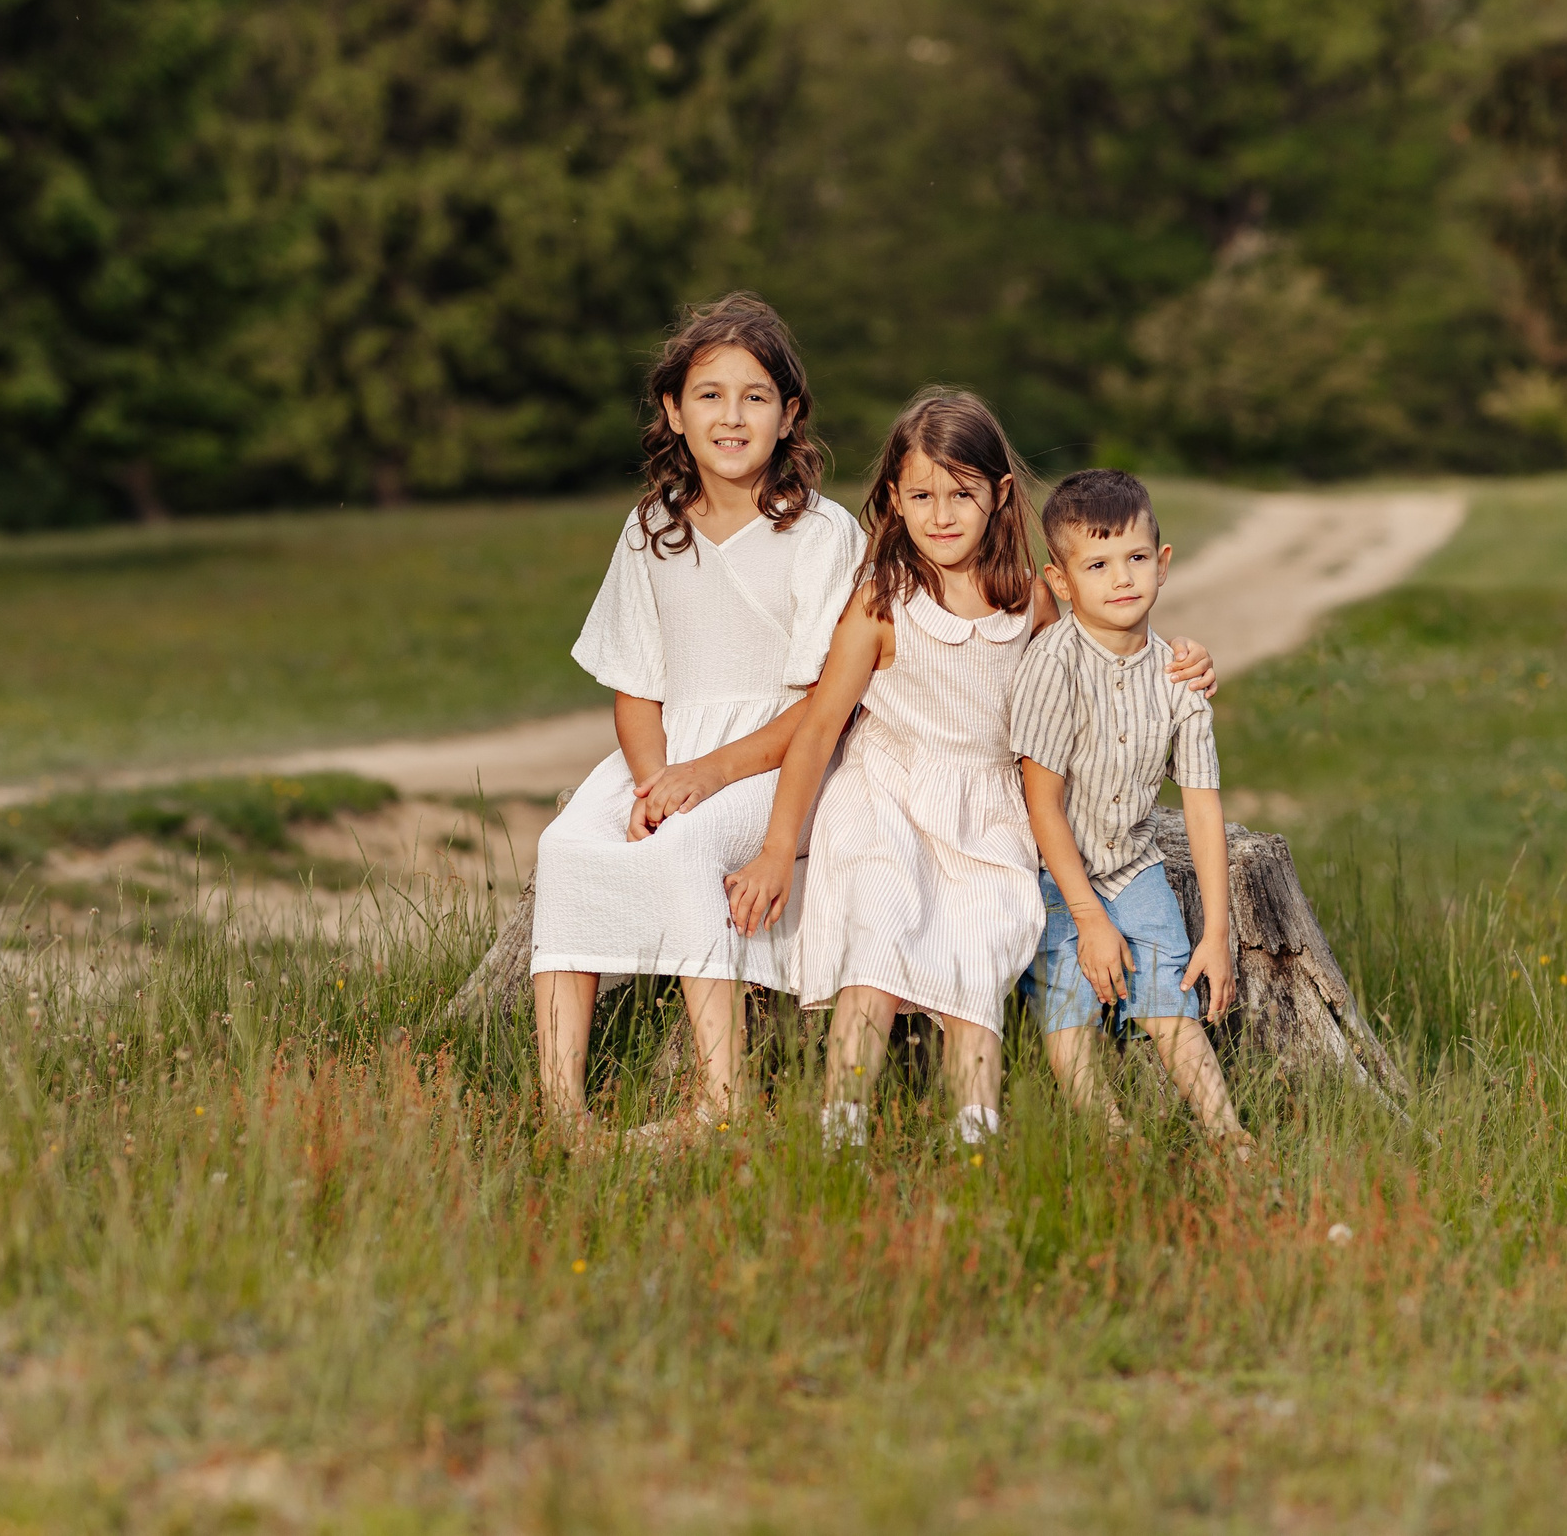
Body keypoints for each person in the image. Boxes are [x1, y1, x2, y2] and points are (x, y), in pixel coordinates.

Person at [722, 390, 1215, 1146]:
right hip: (887, 789)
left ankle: (975, 1135)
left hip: (988, 806)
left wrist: (1185, 661)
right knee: (880, 926)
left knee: (982, 940)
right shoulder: (883, 602)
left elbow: (1112, 636)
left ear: (1000, 495)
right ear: (894, 498)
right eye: (921, 495)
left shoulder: (1028, 600)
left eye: (962, 494)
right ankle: (842, 1125)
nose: (941, 514)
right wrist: (774, 847)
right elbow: (820, 730)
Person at [529, 293, 864, 1140]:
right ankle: (563, 1112)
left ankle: (720, 1101)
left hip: (779, 756)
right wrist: (651, 782)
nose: (732, 415)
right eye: (709, 395)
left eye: (756, 396)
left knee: (686, 847)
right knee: (564, 843)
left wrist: (705, 779)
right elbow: (635, 685)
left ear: (790, 416)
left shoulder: (823, 534)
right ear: (674, 411)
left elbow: (827, 701)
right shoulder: (651, 528)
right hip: (670, 751)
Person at [1010, 469, 1244, 1144]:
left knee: (1170, 996)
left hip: (1132, 863)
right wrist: (1087, 917)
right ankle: (1110, 1135)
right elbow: (1042, 802)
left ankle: (1228, 1133)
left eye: (1136, 558)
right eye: (1098, 563)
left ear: (1162, 564)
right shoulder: (1053, 666)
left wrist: (1218, 933)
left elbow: (1201, 806)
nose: (1122, 578)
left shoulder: (1178, 676)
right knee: (1069, 1000)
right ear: (1061, 581)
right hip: (1053, 871)